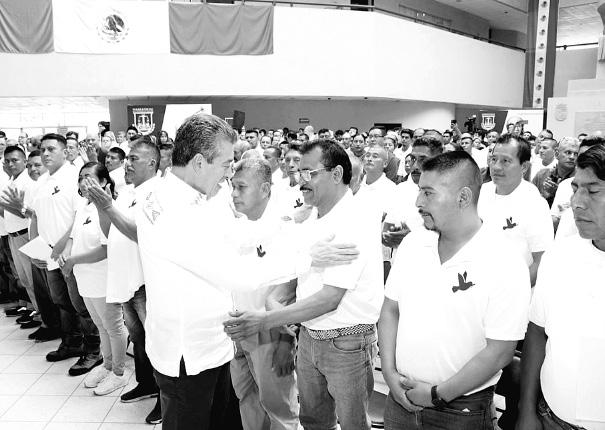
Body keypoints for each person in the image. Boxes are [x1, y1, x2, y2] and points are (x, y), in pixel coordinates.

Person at [135, 114, 356, 430]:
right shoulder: (176, 213)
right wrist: (307, 258)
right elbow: (239, 275)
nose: (228, 174)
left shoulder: (185, 196)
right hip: (188, 354)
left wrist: (285, 221)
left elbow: (233, 234)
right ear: (199, 162)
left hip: (208, 344)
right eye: (226, 164)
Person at [224, 139, 383, 430]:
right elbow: (290, 280)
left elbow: (329, 298)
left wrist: (266, 320)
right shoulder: (312, 218)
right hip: (311, 334)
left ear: (336, 174)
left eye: (310, 172)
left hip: (346, 340)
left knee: (353, 423)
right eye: (300, 171)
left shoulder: (355, 219)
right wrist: (278, 312)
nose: (301, 180)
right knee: (314, 422)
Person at [379, 151, 530, 430]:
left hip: (461, 410)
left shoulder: (504, 258)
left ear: (463, 197)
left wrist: (437, 394)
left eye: (428, 193)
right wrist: (388, 373)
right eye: (419, 191)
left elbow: (500, 350)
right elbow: (390, 310)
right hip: (401, 396)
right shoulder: (413, 244)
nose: (418, 202)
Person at [517, 143, 605, 430]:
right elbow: (537, 331)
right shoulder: (561, 254)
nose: (577, 202)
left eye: (593, 191)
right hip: (551, 418)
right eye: (575, 188)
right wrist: (526, 410)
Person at [86, 136, 162, 424]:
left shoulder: (156, 193)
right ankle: (146, 383)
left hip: (144, 281)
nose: (127, 164)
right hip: (125, 279)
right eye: (127, 158)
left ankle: (164, 397)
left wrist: (108, 206)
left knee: (155, 341)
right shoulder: (128, 191)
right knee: (139, 339)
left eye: (133, 159)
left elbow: (141, 234)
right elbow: (110, 232)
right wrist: (101, 206)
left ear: (152, 163)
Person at [229, 158, 299, 430]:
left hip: (269, 330)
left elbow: (289, 289)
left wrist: (285, 341)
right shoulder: (237, 225)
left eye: (242, 187)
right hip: (238, 326)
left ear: (265, 189)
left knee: (279, 410)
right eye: (233, 186)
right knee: (247, 400)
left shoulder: (283, 227)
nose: (234, 193)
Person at [29, 133, 101, 375]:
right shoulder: (42, 181)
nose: (45, 154)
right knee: (61, 302)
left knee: (81, 305)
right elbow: (36, 217)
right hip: (49, 255)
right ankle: (71, 343)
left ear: (64, 151)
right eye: (42, 149)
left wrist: (60, 249)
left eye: (51, 149)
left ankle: (93, 350)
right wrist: (36, 248)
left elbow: (78, 218)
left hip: (69, 253)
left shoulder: (73, 177)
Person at [59, 162, 129, 395]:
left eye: (89, 177)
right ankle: (107, 365)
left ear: (104, 182)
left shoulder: (108, 208)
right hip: (85, 277)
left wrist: (73, 260)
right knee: (100, 325)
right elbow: (72, 236)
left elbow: (105, 249)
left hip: (103, 277)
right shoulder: (83, 205)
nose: (83, 181)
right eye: (81, 177)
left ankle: (119, 372)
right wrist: (66, 253)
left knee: (114, 327)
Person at [478, 134, 553, 286]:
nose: (496, 167)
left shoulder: (534, 204)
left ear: (524, 167)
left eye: (505, 161)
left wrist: (511, 294)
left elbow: (541, 262)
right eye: (493, 159)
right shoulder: (481, 192)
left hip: (515, 290)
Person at [532, 137, 579, 207]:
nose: (572, 157)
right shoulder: (542, 175)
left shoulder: (580, 179)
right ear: (557, 154)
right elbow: (529, 200)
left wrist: (556, 193)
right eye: (568, 152)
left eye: (576, 154)